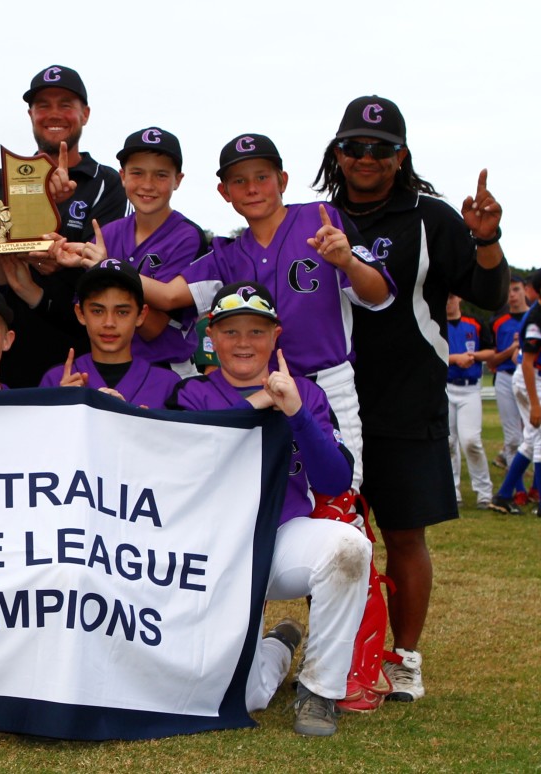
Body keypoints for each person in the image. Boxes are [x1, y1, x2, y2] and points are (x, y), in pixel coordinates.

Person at [313, 95, 507, 701]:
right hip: (325, 403)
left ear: (401, 157)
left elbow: (490, 295)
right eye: (354, 147)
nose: (366, 158)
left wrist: (487, 238)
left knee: (402, 536)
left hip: (404, 398)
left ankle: (404, 658)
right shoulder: (311, 216)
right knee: (326, 536)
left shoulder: (432, 217)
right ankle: (337, 654)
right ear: (337, 154)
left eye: (380, 148)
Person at [109, 133, 393, 492]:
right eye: (239, 181)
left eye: (262, 176)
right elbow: (166, 296)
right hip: (257, 392)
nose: (252, 188)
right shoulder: (227, 253)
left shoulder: (320, 220)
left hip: (326, 383)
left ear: (283, 180)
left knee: (340, 497)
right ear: (224, 192)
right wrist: (107, 266)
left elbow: (379, 294)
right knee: (257, 499)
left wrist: (348, 262)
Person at [168, 281, 369, 737]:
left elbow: (335, 480)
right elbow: (185, 469)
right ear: (211, 337)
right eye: (231, 331)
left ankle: (320, 690)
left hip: (280, 537)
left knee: (348, 547)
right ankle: (279, 645)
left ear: (275, 334)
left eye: (256, 332)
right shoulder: (190, 393)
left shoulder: (306, 394)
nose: (243, 343)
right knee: (246, 697)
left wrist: (295, 412)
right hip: (213, 549)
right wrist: (258, 404)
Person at [0, 65, 129, 388]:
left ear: (86, 113)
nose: (54, 114)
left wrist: (35, 252)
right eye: (43, 105)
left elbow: (96, 268)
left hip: (80, 344)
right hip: (13, 349)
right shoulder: (2, 179)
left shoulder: (108, 182)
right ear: (30, 114)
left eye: (65, 104)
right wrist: (38, 198)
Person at [93, 127, 208, 376]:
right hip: (107, 368)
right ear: (122, 176)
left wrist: (107, 268)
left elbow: (157, 326)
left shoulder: (187, 236)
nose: (148, 184)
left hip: (168, 370)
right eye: (137, 173)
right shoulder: (107, 233)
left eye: (161, 175)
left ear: (178, 179)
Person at [39, 259, 180, 409]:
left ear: (141, 315)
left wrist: (146, 425)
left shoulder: (168, 384)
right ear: (80, 313)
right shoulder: (55, 380)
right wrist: (60, 408)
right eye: (98, 311)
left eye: (122, 312)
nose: (109, 323)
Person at [444, 294, 499, 510]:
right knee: (448, 443)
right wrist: (455, 358)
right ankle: (452, 491)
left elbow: (491, 351)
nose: (448, 302)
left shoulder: (474, 324)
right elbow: (431, 352)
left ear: (459, 298)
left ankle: (484, 492)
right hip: (446, 387)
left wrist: (474, 356)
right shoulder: (435, 322)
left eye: (451, 297)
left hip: (470, 387)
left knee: (471, 441)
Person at [489, 276, 527, 470]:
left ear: (525, 291)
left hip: (533, 378)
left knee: (534, 435)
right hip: (505, 377)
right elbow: (492, 360)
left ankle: (536, 487)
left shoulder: (535, 317)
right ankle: (517, 487)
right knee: (513, 438)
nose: (512, 295)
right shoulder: (499, 322)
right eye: (508, 291)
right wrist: (513, 348)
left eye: (516, 289)